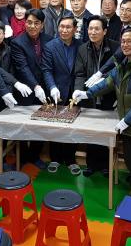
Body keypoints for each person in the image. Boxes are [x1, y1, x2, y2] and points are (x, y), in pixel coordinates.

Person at [73, 29, 131, 199]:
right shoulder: (123, 64)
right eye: (123, 42)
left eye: (130, 41)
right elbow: (107, 83)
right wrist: (87, 94)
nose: (125, 45)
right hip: (127, 126)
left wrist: (127, 120)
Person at [73, 15, 119, 176]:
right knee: (91, 131)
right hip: (88, 96)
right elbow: (79, 74)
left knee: (105, 132)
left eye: (97, 29)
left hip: (109, 96)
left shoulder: (116, 47)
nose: (92, 32)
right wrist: (77, 90)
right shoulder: (82, 48)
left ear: (105, 31)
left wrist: (103, 78)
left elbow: (116, 72)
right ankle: (91, 165)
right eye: (90, 28)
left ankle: (106, 165)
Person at [10, 8, 53, 169]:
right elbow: (22, 67)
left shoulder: (49, 40)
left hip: (45, 89)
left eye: (36, 23)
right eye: (29, 22)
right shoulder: (17, 42)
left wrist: (49, 86)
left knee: (41, 124)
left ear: (42, 25)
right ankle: (21, 158)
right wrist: (35, 86)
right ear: (25, 23)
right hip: (25, 90)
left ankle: (34, 156)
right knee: (23, 125)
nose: (32, 26)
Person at [42, 15, 82, 175]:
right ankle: (55, 158)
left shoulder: (81, 45)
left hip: (75, 91)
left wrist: (79, 89)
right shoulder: (50, 46)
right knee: (56, 126)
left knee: (73, 127)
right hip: (57, 92)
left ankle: (71, 159)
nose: (64, 30)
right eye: (61, 27)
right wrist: (52, 87)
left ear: (75, 29)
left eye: (68, 27)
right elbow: (46, 70)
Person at [0, 20, 32, 115]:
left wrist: (10, 91)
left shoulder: (8, 49)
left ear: (4, 34)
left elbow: (11, 71)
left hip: (7, 93)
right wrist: (16, 83)